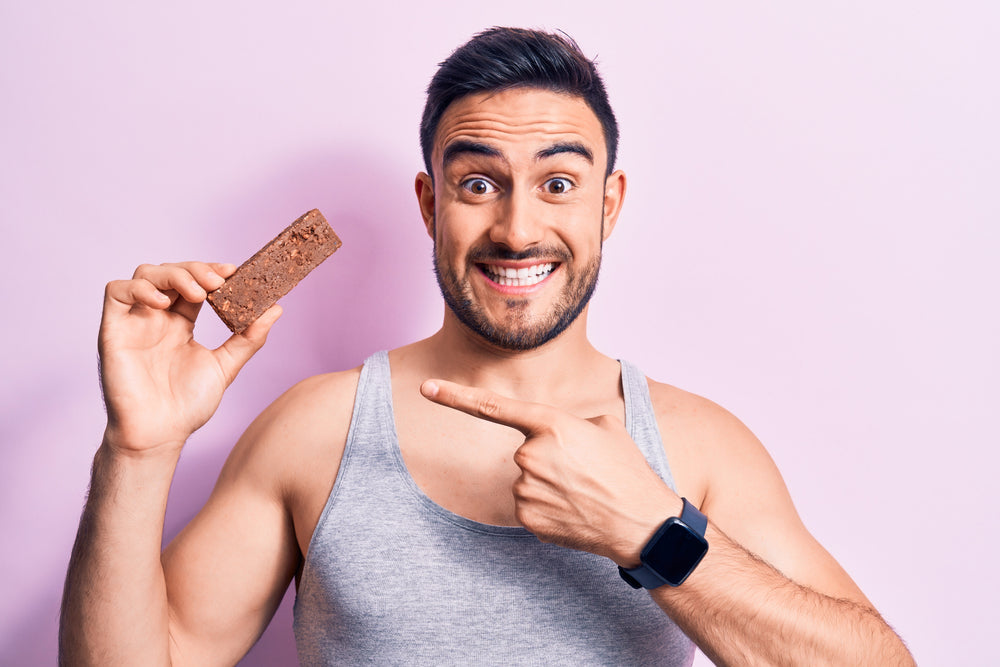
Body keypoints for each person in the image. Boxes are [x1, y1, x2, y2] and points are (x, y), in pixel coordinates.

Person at [60, 27, 914, 666]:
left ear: (608, 205)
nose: (517, 228)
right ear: (430, 204)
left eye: (558, 182)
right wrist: (138, 449)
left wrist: (652, 531)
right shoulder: (315, 430)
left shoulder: (698, 446)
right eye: (478, 183)